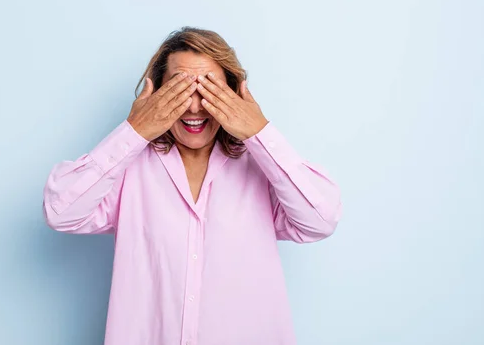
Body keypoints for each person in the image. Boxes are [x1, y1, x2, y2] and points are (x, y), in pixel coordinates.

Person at [42, 27, 342, 345]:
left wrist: (258, 131)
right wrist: (135, 130)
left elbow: (320, 220)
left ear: (234, 95)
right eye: (180, 90)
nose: (195, 107)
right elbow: (61, 211)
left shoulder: (262, 170)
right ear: (156, 93)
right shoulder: (128, 171)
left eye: (209, 90)